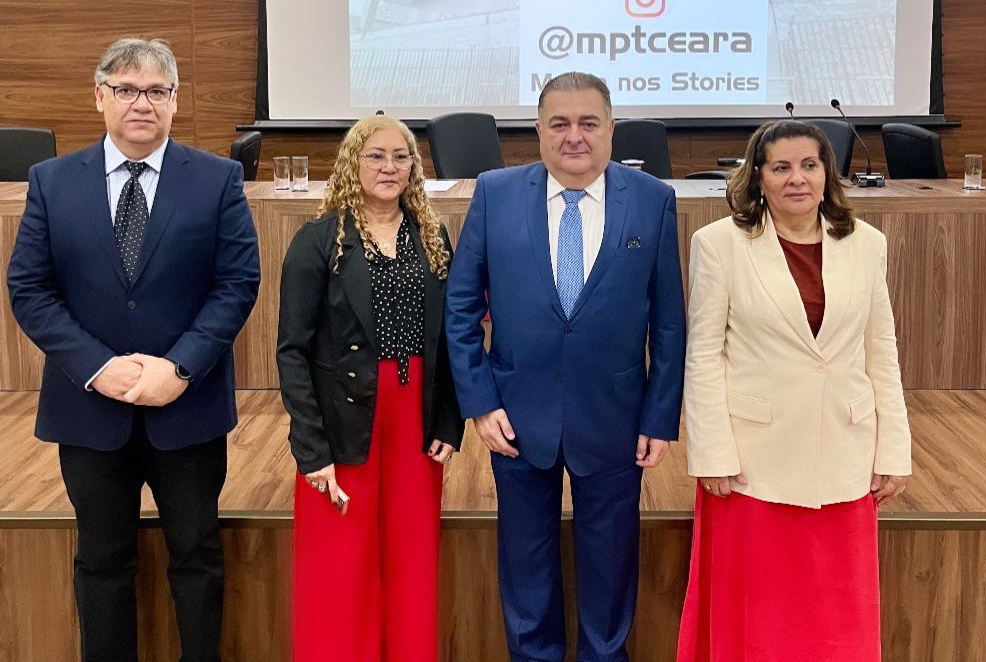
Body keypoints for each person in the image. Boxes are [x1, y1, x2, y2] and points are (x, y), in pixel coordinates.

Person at [6, 38, 260, 662]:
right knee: (102, 560)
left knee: (197, 556)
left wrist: (179, 368)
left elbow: (237, 283)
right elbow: (29, 288)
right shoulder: (51, 181)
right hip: (90, 411)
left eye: (156, 91)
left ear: (175, 102)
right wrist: (99, 367)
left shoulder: (218, 179)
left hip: (187, 407)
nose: (141, 103)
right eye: (126, 89)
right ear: (100, 98)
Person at [445, 72, 686, 662]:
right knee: (525, 568)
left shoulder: (652, 199)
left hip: (615, 417)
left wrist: (659, 416)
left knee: (610, 565)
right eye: (559, 123)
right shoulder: (495, 192)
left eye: (588, 123)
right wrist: (479, 402)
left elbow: (670, 322)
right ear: (538, 130)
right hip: (515, 418)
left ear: (610, 129)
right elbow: (460, 307)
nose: (573, 136)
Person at [676, 119, 912, 662]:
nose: (796, 178)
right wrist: (711, 451)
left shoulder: (866, 244)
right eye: (781, 167)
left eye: (809, 165)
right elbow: (705, 355)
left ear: (827, 172)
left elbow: (882, 350)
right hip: (753, 467)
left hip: (844, 456)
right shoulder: (720, 244)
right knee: (758, 621)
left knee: (835, 621)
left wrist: (893, 450)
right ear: (757, 177)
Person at [276, 114, 464, 662]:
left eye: (400, 156)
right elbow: (292, 351)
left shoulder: (432, 237)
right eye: (375, 156)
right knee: (342, 562)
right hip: (344, 420)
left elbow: (449, 340)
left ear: (414, 167)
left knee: (411, 557)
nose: (389, 167)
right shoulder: (318, 241)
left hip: (415, 417)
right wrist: (311, 451)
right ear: (352, 163)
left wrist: (449, 421)